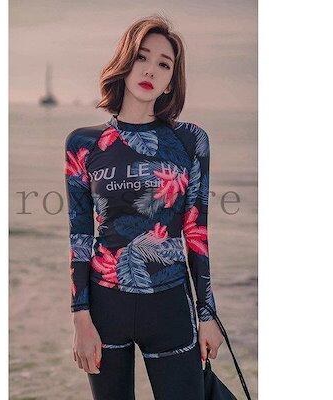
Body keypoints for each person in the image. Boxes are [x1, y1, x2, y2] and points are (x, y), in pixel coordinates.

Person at [64, 14, 224, 400]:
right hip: (106, 306)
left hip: (169, 307)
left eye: (164, 64)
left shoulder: (189, 141)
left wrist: (207, 314)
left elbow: (196, 231)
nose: (150, 70)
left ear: (171, 81)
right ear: (125, 61)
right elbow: (80, 235)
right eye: (142, 57)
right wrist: (80, 317)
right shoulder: (83, 144)